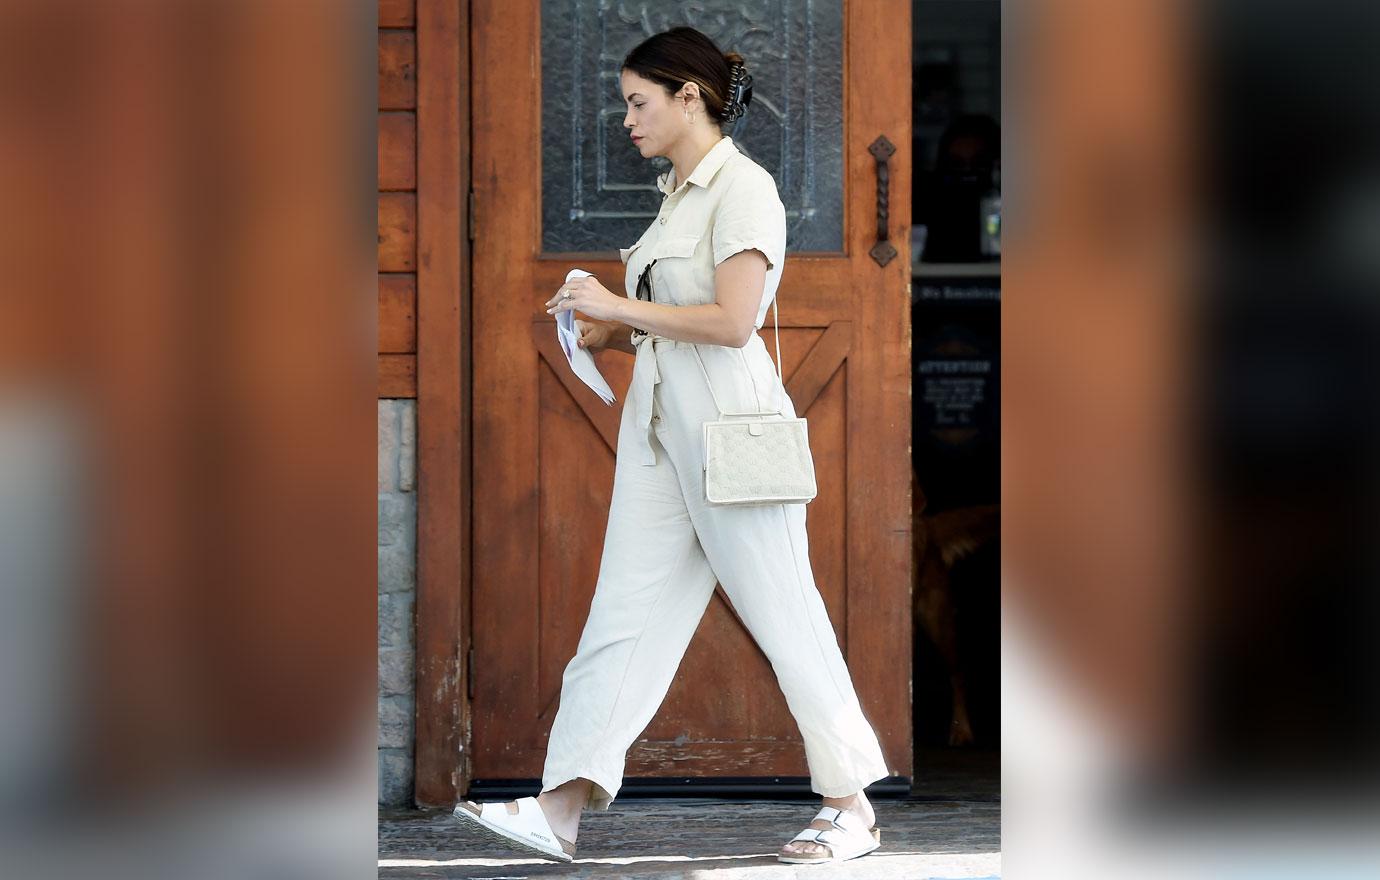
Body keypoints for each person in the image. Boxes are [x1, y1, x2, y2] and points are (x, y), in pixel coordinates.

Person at [452, 26, 891, 866]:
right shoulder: (677, 195)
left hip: (730, 436)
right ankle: (560, 808)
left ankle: (851, 806)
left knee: (785, 617)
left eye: (638, 102)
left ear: (690, 97)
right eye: (626, 104)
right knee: (621, 617)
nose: (627, 119)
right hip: (658, 435)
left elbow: (731, 324)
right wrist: (599, 330)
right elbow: (669, 330)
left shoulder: (745, 190)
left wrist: (621, 308)